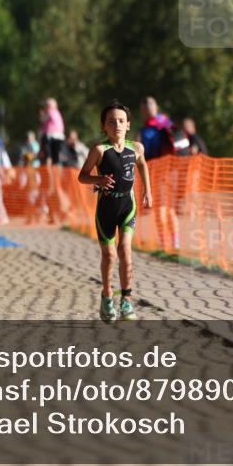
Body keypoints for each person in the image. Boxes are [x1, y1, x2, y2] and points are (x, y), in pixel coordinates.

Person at [78, 101, 152, 323]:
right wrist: (98, 179)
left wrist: (148, 191)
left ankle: (127, 301)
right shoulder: (99, 150)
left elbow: (143, 165)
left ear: (128, 125)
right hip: (106, 209)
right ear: (103, 127)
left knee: (125, 249)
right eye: (111, 121)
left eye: (121, 121)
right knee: (109, 255)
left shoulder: (136, 148)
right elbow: (82, 176)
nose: (116, 125)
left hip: (127, 206)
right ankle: (107, 295)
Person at [138, 96, 175, 161]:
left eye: (151, 103)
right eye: (145, 103)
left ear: (156, 107)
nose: (148, 106)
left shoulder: (164, 121)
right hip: (150, 163)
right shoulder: (143, 130)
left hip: (166, 161)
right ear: (142, 110)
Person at [39, 98, 66, 166]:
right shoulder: (57, 113)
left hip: (50, 136)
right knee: (56, 158)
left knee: (48, 157)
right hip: (59, 136)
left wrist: (42, 114)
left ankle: (49, 172)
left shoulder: (49, 111)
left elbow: (43, 119)